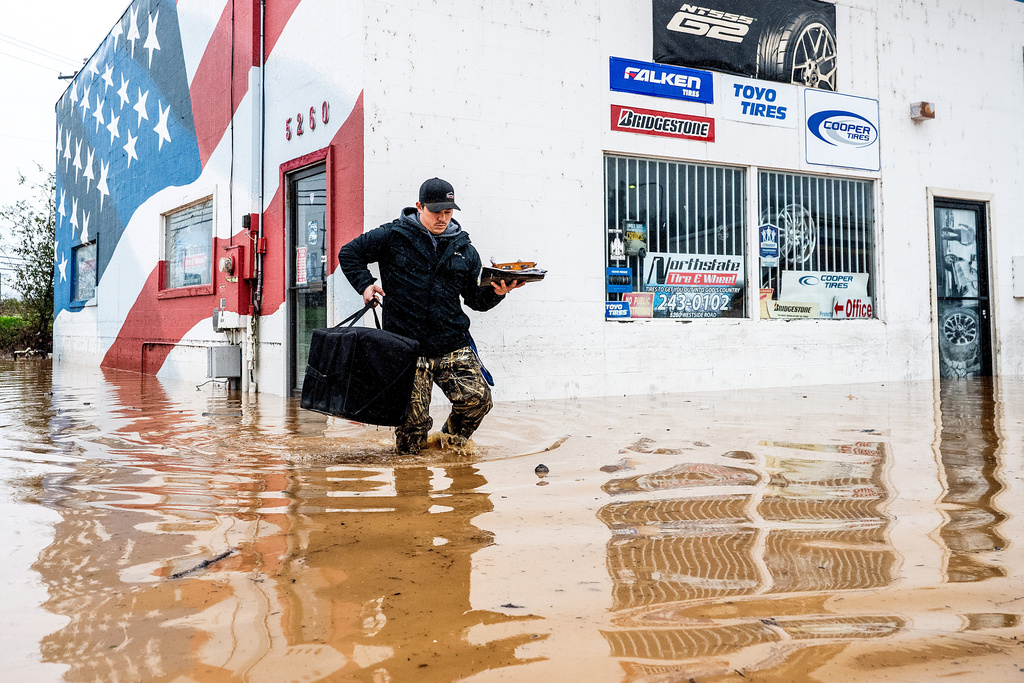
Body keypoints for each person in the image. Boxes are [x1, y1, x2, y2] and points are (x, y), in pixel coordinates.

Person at [338, 178, 524, 454]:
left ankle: (446, 445)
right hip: (407, 347)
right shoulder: (392, 236)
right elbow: (349, 253)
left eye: (448, 212)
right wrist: (365, 284)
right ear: (419, 206)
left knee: (478, 399)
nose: (442, 218)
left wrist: (499, 292)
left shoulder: (464, 249)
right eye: (436, 211)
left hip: (452, 342)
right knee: (412, 430)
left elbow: (475, 301)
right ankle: (413, 484)